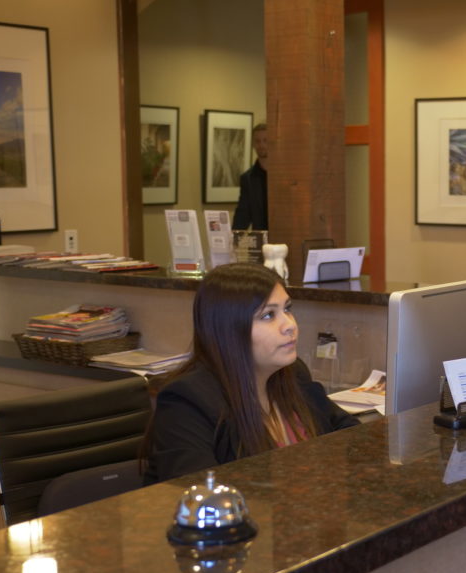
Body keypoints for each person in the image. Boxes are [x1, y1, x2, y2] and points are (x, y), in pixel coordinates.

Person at [143, 262, 358, 483]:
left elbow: (355, 439)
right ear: (228, 330)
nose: (289, 325)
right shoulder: (188, 402)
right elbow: (199, 498)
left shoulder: (292, 374)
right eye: (268, 315)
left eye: (287, 309)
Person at [232, 123, 269, 231]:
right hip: (260, 239)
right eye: (258, 141)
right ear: (253, 144)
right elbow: (243, 213)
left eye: (265, 140)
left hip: (284, 238)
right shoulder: (247, 178)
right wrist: (233, 239)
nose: (261, 145)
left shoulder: (283, 175)